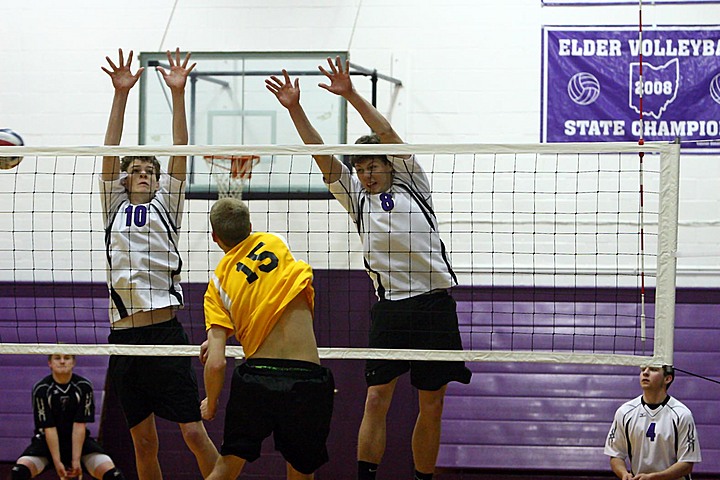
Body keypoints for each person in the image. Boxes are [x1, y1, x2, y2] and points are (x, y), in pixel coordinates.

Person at [266, 57, 472, 480]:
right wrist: (295, 109)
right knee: (376, 398)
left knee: (431, 403)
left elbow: (388, 134)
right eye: (359, 169)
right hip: (391, 307)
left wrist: (351, 94)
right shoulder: (358, 200)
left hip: (434, 306)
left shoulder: (412, 180)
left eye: (372, 165)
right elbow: (323, 159)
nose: (365, 174)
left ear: (388, 164)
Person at [99, 47, 218, 479]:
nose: (146, 173)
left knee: (193, 433)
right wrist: (121, 95)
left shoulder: (168, 203)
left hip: (165, 334)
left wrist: (179, 93)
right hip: (125, 339)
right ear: (126, 178)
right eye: (138, 170)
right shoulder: (112, 204)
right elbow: (109, 152)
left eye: (151, 169)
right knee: (143, 443)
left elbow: (180, 149)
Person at [200, 197, 335, 480]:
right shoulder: (275, 242)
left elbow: (215, 364)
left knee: (226, 467)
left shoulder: (217, 285)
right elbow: (268, 297)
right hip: (306, 379)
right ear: (250, 226)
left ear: (214, 237)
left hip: (257, 379)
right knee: (302, 471)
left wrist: (211, 403)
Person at [11, 354, 125, 480]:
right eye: (57, 358)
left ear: (73, 362)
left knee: (113, 475)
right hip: (46, 444)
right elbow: (49, 428)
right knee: (19, 471)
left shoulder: (83, 386)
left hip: (79, 443)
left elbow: (79, 425)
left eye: (66, 358)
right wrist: (57, 462)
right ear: (50, 363)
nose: (62, 362)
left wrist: (76, 460)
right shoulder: (42, 389)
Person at [605, 365, 702, 480]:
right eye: (643, 369)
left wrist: (655, 477)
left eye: (653, 370)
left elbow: (687, 464)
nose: (645, 373)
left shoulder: (682, 414)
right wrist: (624, 474)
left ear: (667, 379)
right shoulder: (625, 412)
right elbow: (616, 455)